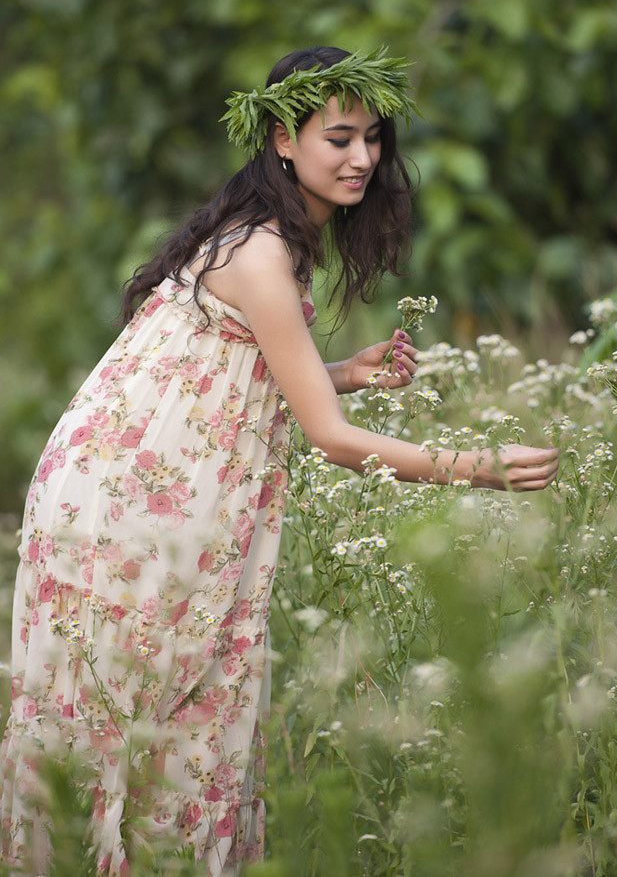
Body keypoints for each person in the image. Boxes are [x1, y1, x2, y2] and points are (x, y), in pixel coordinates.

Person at [0, 46, 559, 876]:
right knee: (134, 720)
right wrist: (479, 465)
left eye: (373, 138)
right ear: (281, 138)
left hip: (141, 492)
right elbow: (330, 439)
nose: (363, 158)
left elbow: (221, 377)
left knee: (179, 715)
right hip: (129, 511)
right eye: (339, 137)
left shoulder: (271, 238)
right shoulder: (261, 250)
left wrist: (339, 375)